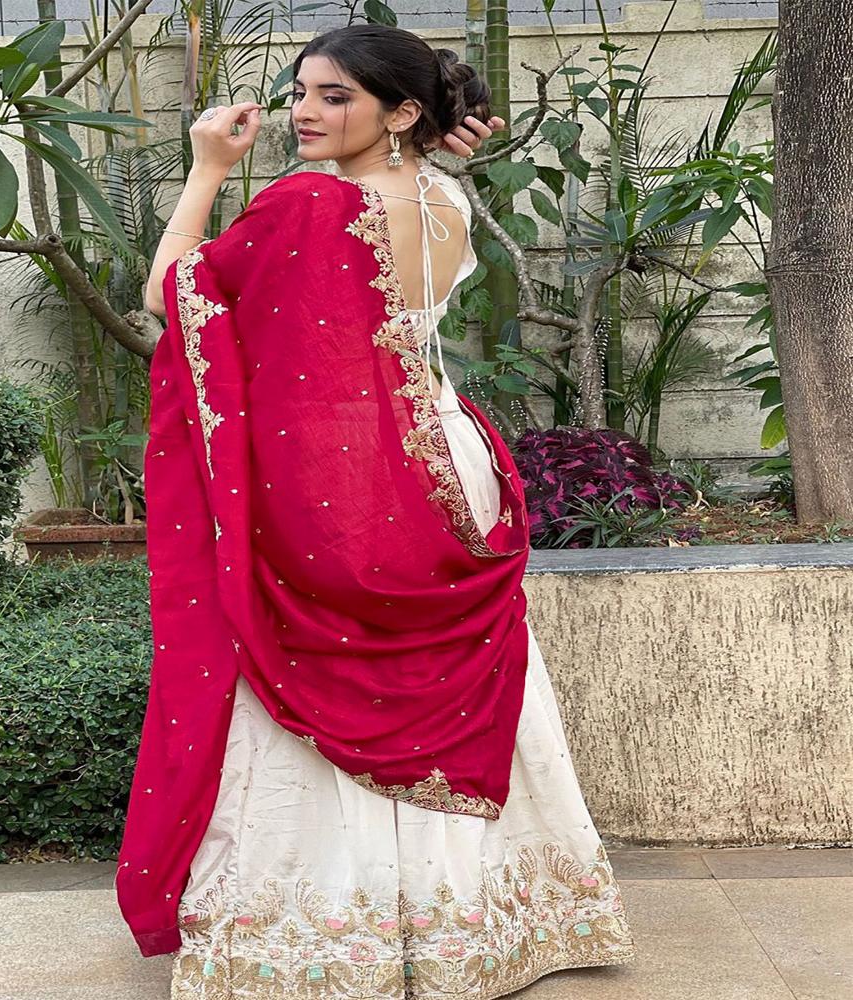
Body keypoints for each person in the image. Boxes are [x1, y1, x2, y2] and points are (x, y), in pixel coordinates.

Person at [118, 23, 636, 999]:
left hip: (348, 475)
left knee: (316, 675)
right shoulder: (444, 197)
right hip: (448, 456)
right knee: (442, 686)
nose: (306, 113)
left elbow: (167, 296)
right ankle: (474, 926)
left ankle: (320, 935)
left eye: (336, 97)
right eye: (302, 92)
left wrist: (204, 170)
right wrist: (420, 152)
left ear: (400, 111)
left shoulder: (306, 203)